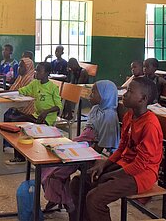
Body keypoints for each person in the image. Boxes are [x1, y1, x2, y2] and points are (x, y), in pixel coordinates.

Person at [69, 77, 163, 221]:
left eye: (130, 91)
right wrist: (104, 164)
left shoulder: (150, 125)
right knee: (78, 182)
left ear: (143, 99)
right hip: (125, 165)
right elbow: (121, 148)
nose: (124, 94)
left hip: (142, 174)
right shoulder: (129, 115)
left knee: (95, 198)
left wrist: (114, 175)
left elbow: (141, 164)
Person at [41, 80, 120, 212]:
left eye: (95, 92)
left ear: (105, 95)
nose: (90, 94)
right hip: (81, 144)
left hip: (89, 151)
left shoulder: (109, 116)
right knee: (48, 164)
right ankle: (58, 197)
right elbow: (86, 131)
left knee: (57, 171)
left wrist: (81, 153)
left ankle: (67, 201)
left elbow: (101, 145)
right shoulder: (96, 109)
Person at [7, 62, 63, 164]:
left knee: (29, 129)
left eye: (39, 71)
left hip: (47, 119)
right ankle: (20, 156)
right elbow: (23, 90)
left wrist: (46, 112)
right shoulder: (35, 83)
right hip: (36, 115)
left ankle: (32, 155)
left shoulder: (53, 87)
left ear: (46, 73)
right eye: (36, 70)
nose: (36, 72)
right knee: (16, 124)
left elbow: (59, 107)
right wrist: (8, 93)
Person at [0, 57, 35, 151]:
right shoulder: (20, 77)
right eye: (19, 66)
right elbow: (13, 90)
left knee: (5, 117)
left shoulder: (29, 79)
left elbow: (21, 94)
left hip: (25, 109)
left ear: (28, 68)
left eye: (22, 66)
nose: (19, 68)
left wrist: (3, 93)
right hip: (16, 105)